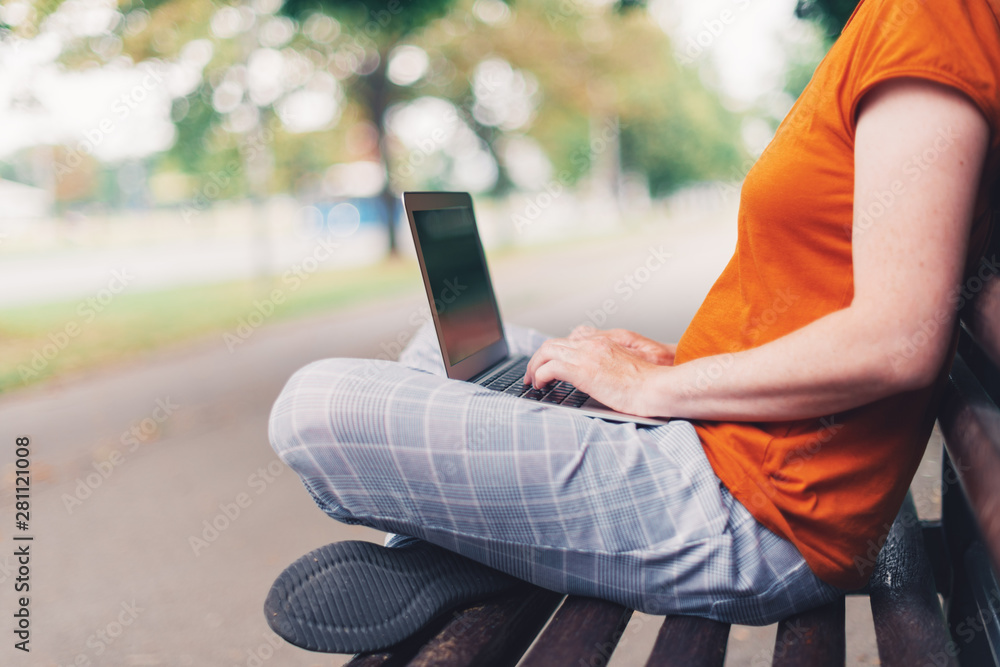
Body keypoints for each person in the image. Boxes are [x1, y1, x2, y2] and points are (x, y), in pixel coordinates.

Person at [269, 0, 1000, 630]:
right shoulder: (900, 24)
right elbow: (833, 289)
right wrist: (676, 365)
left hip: (758, 511)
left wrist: (652, 391)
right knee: (450, 350)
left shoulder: (933, 19)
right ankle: (502, 542)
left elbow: (896, 339)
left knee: (315, 406)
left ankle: (476, 545)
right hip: (719, 439)